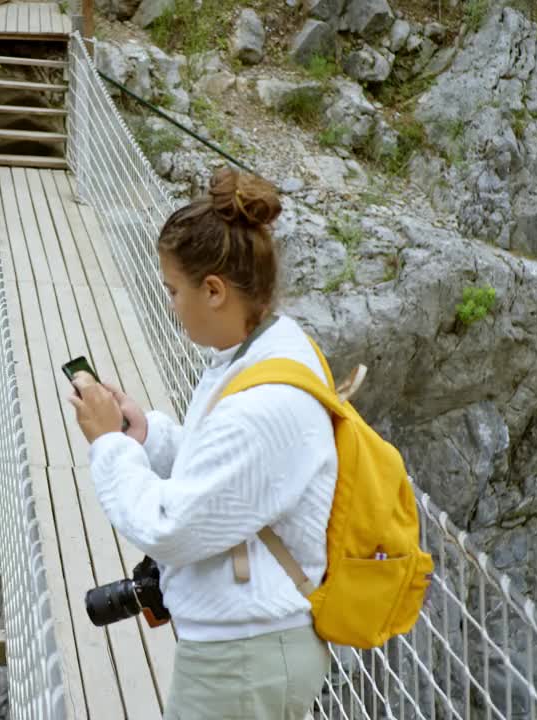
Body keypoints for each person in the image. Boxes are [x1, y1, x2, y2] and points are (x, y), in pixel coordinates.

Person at [67, 168, 336, 720]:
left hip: (241, 662)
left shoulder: (262, 402)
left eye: (173, 290)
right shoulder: (267, 351)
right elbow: (240, 477)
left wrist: (107, 446)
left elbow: (173, 527)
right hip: (252, 650)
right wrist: (149, 437)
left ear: (213, 290)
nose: (171, 306)